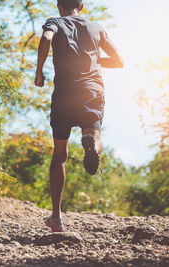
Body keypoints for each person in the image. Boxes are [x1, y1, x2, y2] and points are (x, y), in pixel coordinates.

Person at [35, 0, 123, 232]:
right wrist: (93, 59)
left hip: (64, 93)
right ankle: (90, 144)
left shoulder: (55, 22)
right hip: (91, 90)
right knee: (94, 134)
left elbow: (46, 39)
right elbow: (119, 61)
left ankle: (56, 217)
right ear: (81, 6)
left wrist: (39, 72)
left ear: (58, 6)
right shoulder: (97, 27)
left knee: (60, 154)